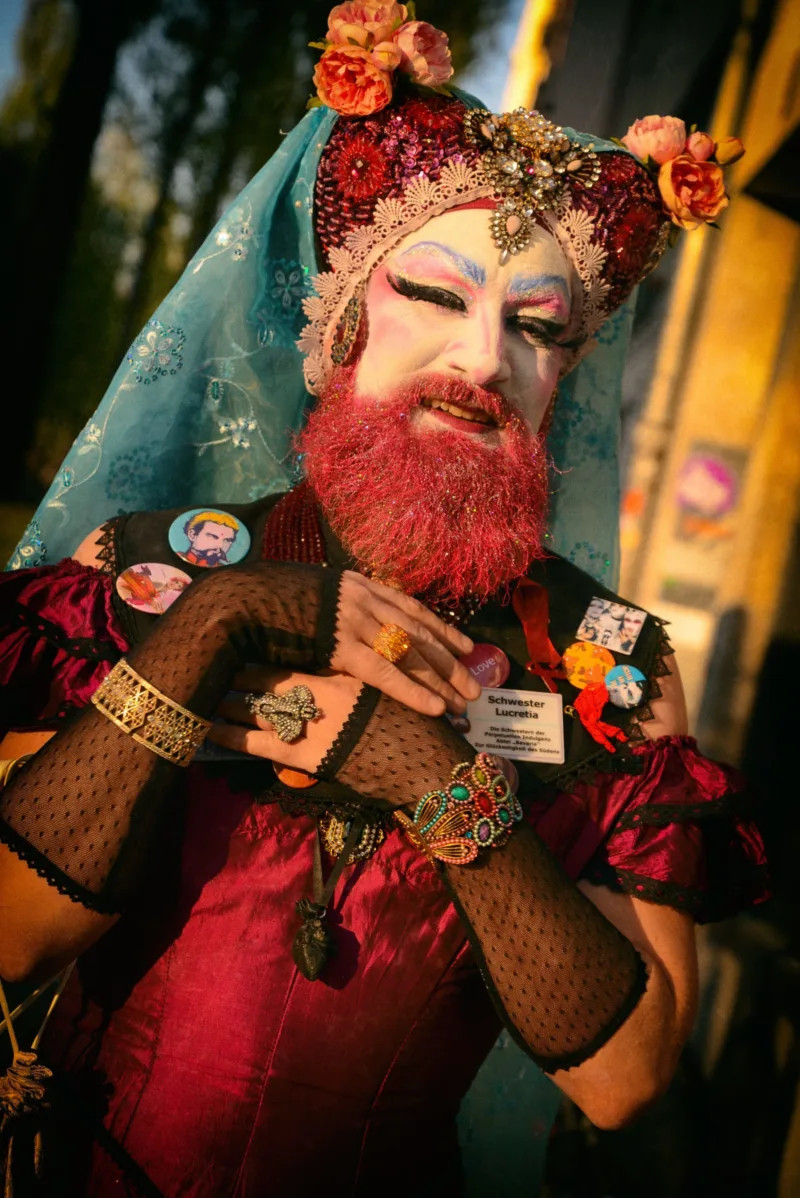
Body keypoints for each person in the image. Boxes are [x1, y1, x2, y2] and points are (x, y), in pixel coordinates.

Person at [0, 8, 766, 1196]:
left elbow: (623, 1080)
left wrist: (427, 772)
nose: (479, 360)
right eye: (434, 295)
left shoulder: (606, 667)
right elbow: (10, 937)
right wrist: (220, 622)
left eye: (535, 326)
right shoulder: (155, 569)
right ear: (345, 317)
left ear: (564, 374)